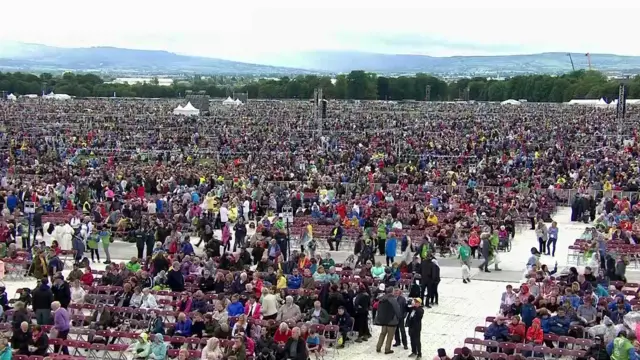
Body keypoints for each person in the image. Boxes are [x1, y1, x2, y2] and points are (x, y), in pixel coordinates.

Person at [374, 287, 402, 354]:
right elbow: (397, 310)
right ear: (392, 292)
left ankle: (378, 347)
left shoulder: (381, 299)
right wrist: (399, 317)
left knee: (382, 334)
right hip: (391, 321)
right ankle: (387, 349)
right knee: (390, 336)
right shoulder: (393, 300)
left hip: (383, 321)